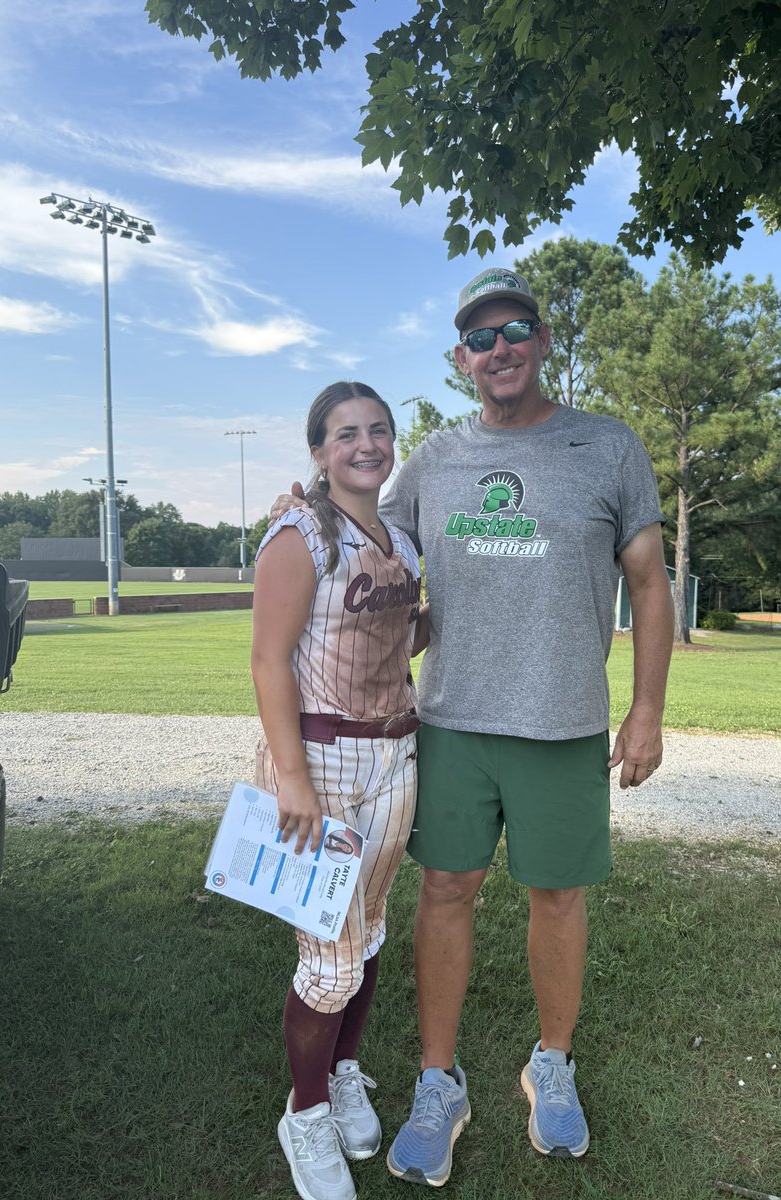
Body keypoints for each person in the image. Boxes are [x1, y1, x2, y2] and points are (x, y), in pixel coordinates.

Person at [271, 267, 674, 1188]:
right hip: (448, 721)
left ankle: (552, 1066)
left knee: (557, 899)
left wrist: (648, 710)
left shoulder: (608, 447)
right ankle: (436, 1082)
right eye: (481, 338)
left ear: (542, 341)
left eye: (516, 329)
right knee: (444, 896)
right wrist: (300, 504)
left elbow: (649, 583)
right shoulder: (434, 460)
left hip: (563, 723)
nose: (500, 349)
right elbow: (366, 529)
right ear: (462, 359)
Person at [251, 380, 427, 1200]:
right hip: (318, 763)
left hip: (394, 755)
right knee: (327, 962)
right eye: (347, 433)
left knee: (370, 935)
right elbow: (268, 660)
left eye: (380, 430)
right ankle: (307, 1111)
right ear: (319, 450)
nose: (367, 444)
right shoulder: (302, 532)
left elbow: (399, 633)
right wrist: (290, 778)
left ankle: (344, 1071)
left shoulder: (399, 537)